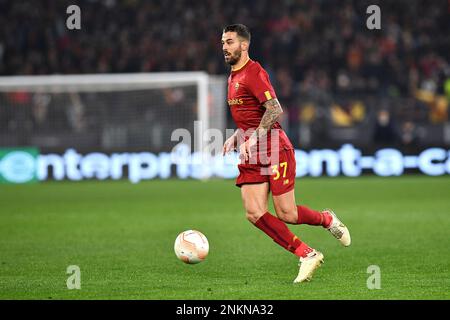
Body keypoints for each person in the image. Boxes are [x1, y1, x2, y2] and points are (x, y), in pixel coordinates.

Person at [221, 24, 351, 283]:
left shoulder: (253, 72)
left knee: (287, 214)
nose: (224, 47)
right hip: (252, 151)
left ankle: (327, 219)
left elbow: (274, 109)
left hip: (273, 147)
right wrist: (238, 136)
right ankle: (307, 254)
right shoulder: (232, 77)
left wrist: (254, 137)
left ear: (244, 45)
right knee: (254, 213)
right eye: (223, 42)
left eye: (230, 42)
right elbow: (251, 114)